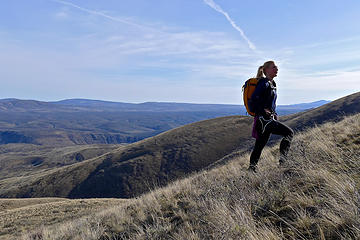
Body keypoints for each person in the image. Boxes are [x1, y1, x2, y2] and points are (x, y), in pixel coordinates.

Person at [248, 60, 294, 172]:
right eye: (274, 67)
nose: (277, 69)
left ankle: (251, 169)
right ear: (267, 70)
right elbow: (253, 101)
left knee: (259, 146)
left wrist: (274, 113)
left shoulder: (273, 83)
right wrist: (264, 111)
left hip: (265, 120)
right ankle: (283, 162)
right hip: (264, 120)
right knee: (289, 133)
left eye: (276, 67)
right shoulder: (263, 83)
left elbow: (270, 102)